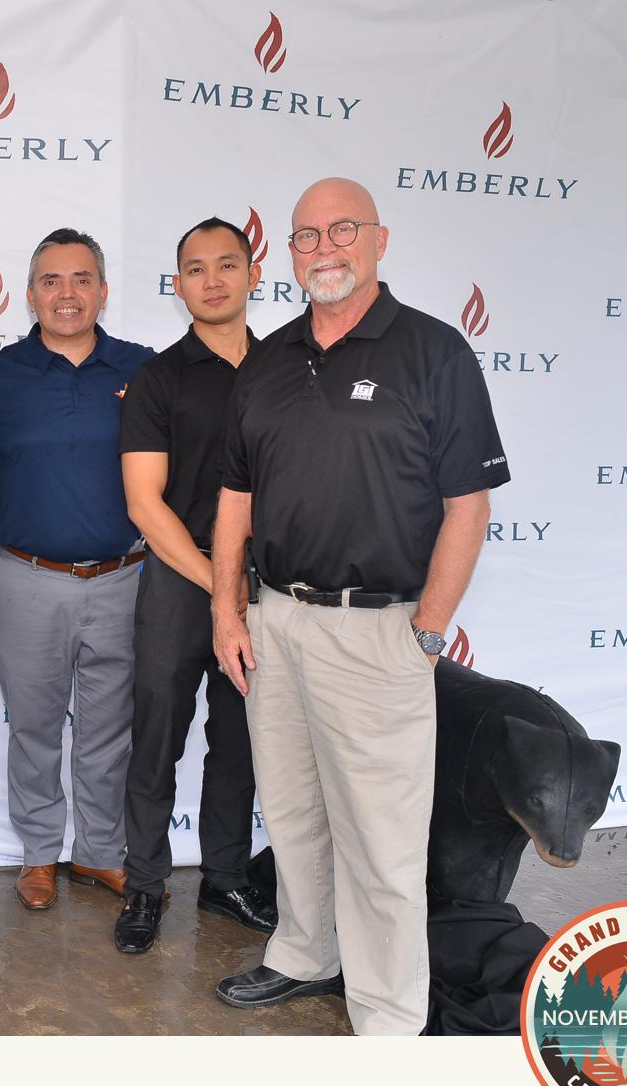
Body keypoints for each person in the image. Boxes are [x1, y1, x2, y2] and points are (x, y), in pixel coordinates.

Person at [211, 178, 510, 1034]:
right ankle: (306, 954)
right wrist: (229, 613)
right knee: (296, 810)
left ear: (378, 240)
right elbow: (236, 495)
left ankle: (386, 1015)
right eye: (306, 236)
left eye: (342, 230)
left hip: (378, 630)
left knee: (381, 841)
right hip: (275, 621)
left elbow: (469, 507)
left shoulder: (434, 353)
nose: (324, 248)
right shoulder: (268, 358)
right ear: (290, 254)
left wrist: (425, 631)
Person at [0, 229, 153, 912]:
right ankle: (40, 855)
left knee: (110, 729)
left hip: (123, 579)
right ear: (29, 294)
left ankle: (102, 854)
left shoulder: (142, 371)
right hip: (24, 577)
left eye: (82, 279)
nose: (67, 294)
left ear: (104, 291)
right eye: (51, 281)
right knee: (35, 725)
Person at [113, 218, 273, 955]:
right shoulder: (159, 379)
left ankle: (226, 879)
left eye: (227, 265)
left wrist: (246, 588)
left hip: (264, 586)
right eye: (196, 269)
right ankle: (144, 885)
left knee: (240, 740)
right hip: (184, 575)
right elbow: (145, 503)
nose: (213, 280)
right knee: (158, 738)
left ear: (252, 274)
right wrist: (219, 586)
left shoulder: (290, 372)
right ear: (178, 286)